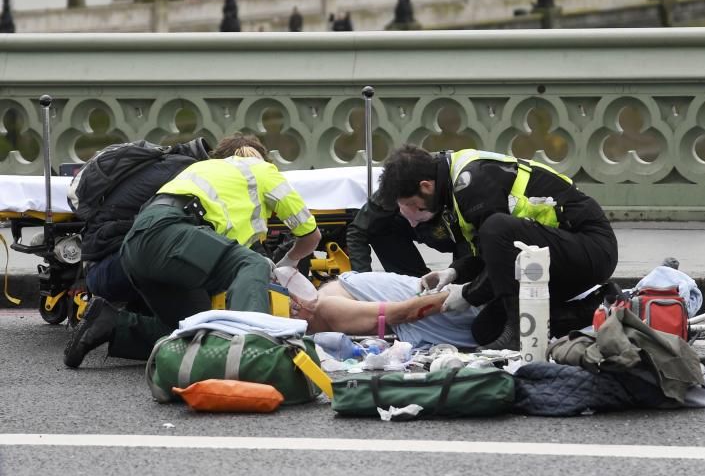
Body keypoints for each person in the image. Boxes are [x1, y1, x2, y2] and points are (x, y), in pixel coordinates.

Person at [63, 133, 321, 368]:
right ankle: (252, 353)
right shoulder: (261, 169)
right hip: (168, 232)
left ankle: (110, 323)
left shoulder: (199, 167)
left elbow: (223, 256)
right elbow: (311, 235)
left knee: (199, 330)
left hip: (136, 246)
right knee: (254, 265)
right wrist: (286, 265)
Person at [377, 145, 618, 350]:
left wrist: (468, 293)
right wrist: (455, 272)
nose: (412, 216)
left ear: (426, 186)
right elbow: (491, 254)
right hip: (548, 255)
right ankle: (598, 306)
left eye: (411, 204)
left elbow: (499, 241)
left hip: (591, 248)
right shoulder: (448, 185)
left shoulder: (471, 180)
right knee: (485, 330)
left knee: (496, 227)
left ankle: (518, 335)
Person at [80, 138, 212, 304]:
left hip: (101, 263)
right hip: (106, 269)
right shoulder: (186, 175)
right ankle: (112, 321)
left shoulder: (171, 162)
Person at [290, 271, 480, 348]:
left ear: (298, 304)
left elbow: (404, 313)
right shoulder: (330, 290)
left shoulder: (327, 307)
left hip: (444, 308)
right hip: (435, 298)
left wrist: (467, 293)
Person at [346, 186, 471, 277]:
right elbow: (357, 232)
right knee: (376, 225)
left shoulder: (462, 189)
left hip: (464, 234)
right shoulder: (393, 188)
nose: (413, 223)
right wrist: (363, 281)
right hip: (425, 229)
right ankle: (413, 282)